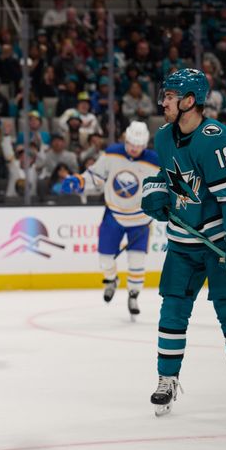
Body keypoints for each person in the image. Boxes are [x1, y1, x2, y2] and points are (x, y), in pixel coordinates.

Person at [140, 68, 226, 419]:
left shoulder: (216, 139)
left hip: (216, 241)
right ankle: (166, 379)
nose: (164, 102)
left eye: (171, 97)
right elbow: (168, 175)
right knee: (172, 310)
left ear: (190, 101)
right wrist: (155, 192)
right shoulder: (162, 137)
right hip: (181, 243)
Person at [61, 121, 159, 316]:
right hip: (114, 215)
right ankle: (111, 279)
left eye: (139, 146)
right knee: (105, 258)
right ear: (126, 139)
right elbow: (96, 176)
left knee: (137, 260)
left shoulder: (154, 161)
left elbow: (164, 186)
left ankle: (133, 294)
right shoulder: (112, 153)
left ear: (145, 144)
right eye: (131, 144)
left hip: (140, 219)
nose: (134, 148)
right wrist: (80, 182)